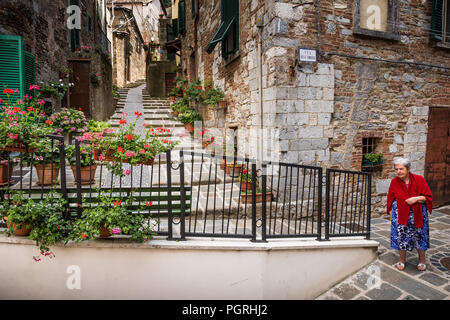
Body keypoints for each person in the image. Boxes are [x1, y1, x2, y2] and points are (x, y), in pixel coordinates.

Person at [386, 157, 433, 271]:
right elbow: (390, 199)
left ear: (408, 169)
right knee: (402, 237)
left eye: (401, 169)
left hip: (418, 216)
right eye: (396, 169)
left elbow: (427, 197)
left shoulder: (419, 179)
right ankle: (402, 259)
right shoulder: (394, 182)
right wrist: (392, 216)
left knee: (420, 236)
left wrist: (415, 199)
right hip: (400, 216)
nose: (398, 172)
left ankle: (422, 260)